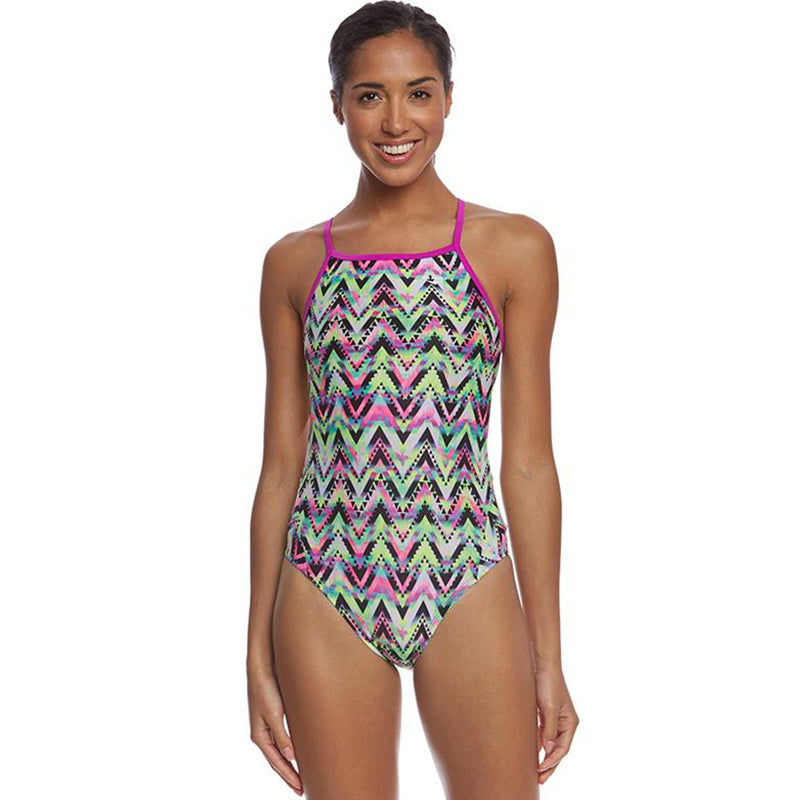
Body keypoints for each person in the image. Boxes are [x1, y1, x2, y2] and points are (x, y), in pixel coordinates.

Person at [246, 2, 578, 797]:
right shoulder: (295, 263)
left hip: (463, 566)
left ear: (449, 98)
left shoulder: (513, 248)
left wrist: (549, 657)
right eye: (370, 96)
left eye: (419, 93)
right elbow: (281, 464)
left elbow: (528, 464)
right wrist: (255, 649)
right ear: (338, 105)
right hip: (325, 576)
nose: (397, 121)